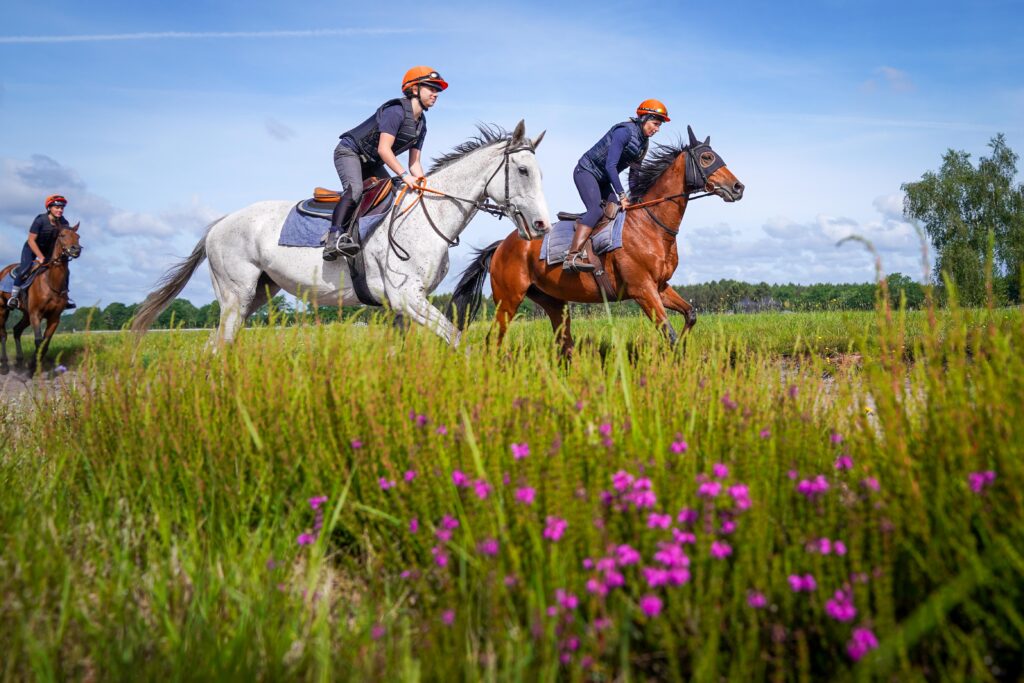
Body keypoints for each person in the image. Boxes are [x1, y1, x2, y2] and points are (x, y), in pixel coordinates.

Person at [323, 66, 448, 261]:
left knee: (393, 194)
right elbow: (384, 149)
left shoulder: (421, 125)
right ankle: (334, 238)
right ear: (414, 89)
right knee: (355, 190)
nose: (436, 94)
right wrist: (405, 176)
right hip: (350, 152)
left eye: (437, 90)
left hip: (372, 162)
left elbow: (414, 163)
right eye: (431, 88)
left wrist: (425, 186)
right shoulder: (396, 111)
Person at [564, 99, 670, 272]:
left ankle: (598, 254)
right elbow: (610, 165)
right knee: (596, 210)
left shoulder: (643, 144)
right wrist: (622, 195)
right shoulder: (624, 132)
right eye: (655, 124)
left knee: (618, 212)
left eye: (659, 126)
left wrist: (636, 198)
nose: (657, 129)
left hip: (604, 180)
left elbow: (634, 174)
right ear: (644, 118)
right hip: (586, 172)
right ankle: (572, 256)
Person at [7, 194, 75, 309]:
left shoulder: (64, 222)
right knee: (25, 269)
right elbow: (31, 240)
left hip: (48, 250)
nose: (60, 210)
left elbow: (67, 237)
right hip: (32, 248)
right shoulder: (40, 220)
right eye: (57, 207)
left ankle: (65, 298)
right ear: (49, 208)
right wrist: (40, 257)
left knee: (65, 271)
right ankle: (13, 297)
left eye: (62, 208)